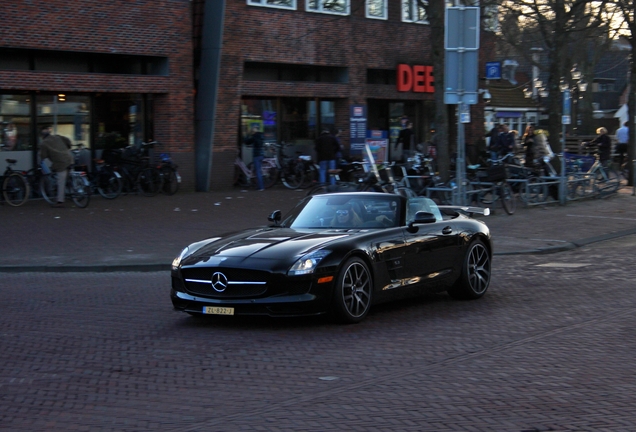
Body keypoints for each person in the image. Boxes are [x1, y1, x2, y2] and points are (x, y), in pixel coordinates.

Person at [39, 125, 74, 208]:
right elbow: (68, 141)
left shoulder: (44, 143)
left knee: (60, 181)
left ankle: (60, 201)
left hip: (60, 162)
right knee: (70, 176)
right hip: (69, 157)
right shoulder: (57, 137)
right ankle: (74, 194)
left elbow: (43, 155)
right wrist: (66, 148)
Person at [244, 124, 265, 191]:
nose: (252, 130)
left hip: (256, 155)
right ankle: (259, 186)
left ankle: (261, 187)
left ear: (254, 129)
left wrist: (247, 134)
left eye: (253, 129)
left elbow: (247, 142)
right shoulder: (261, 135)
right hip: (261, 154)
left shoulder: (255, 136)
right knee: (258, 170)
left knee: (258, 171)